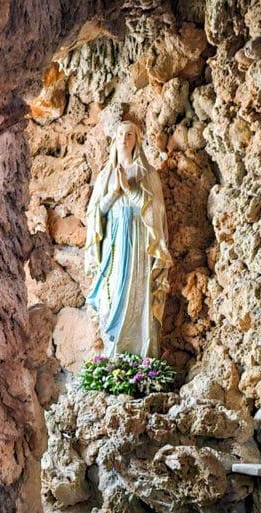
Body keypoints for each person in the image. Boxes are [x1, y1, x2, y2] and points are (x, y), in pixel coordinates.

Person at [84, 120, 172, 358]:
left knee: (139, 295)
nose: (124, 138)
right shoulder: (105, 176)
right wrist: (114, 192)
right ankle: (113, 359)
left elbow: (156, 212)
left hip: (140, 241)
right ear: (114, 140)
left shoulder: (147, 174)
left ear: (137, 141)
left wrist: (131, 190)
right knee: (110, 299)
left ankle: (144, 360)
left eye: (130, 134)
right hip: (114, 240)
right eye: (120, 133)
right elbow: (96, 213)